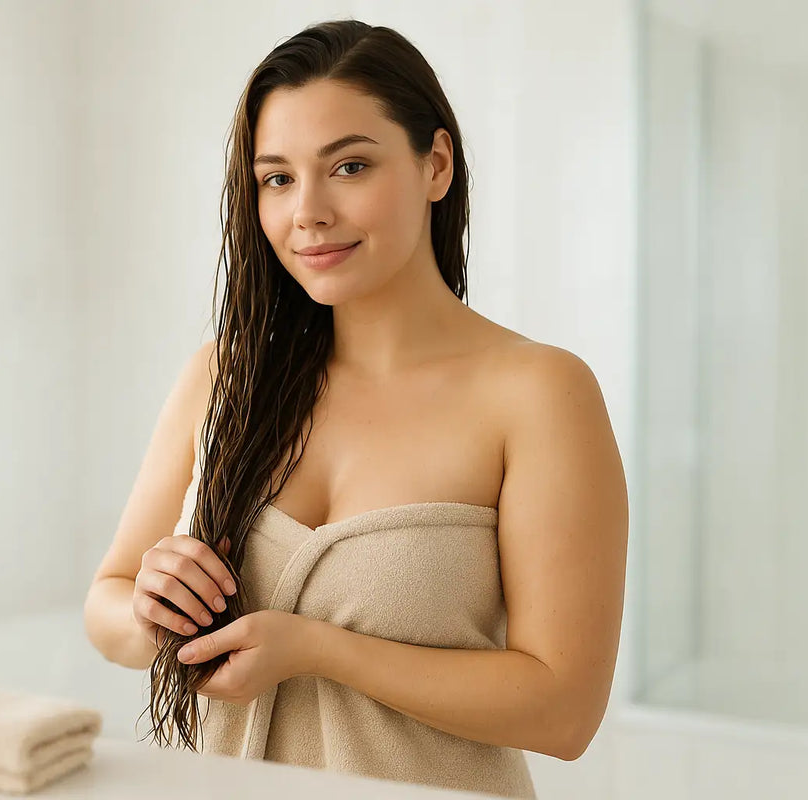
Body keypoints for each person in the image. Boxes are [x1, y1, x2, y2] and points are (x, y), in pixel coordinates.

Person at [84, 18, 627, 800]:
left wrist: (317, 650)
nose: (307, 211)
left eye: (348, 166)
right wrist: (152, 610)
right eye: (277, 178)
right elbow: (108, 604)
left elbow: (565, 711)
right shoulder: (223, 377)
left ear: (435, 164)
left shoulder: (538, 393)